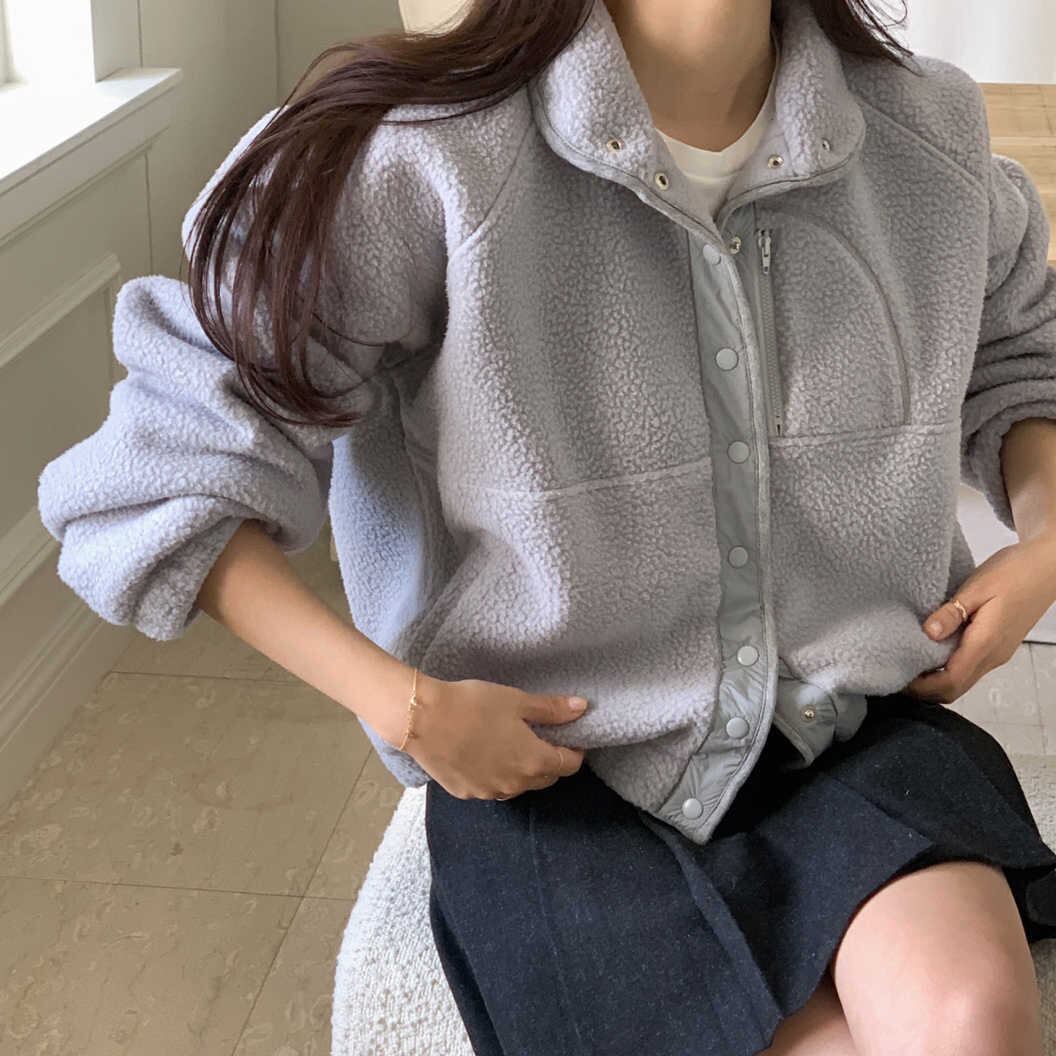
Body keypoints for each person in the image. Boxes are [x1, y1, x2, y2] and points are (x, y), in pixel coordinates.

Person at [35, 0, 1056, 1052]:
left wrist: (1045, 546)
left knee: (971, 1020)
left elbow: (1026, 355)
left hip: (847, 732)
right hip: (563, 781)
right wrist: (405, 707)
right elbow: (162, 475)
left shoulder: (925, 134)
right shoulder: (424, 155)